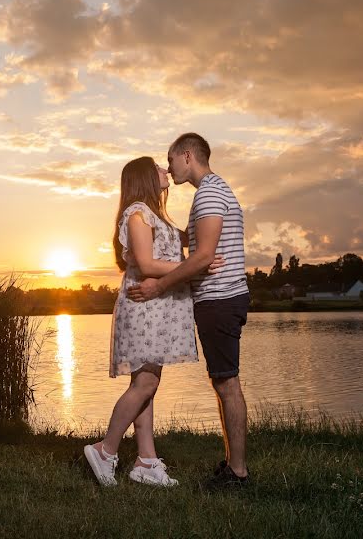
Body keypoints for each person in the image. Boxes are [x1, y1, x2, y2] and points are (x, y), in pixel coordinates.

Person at [84, 156, 224, 487]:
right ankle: (105, 450)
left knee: (147, 382)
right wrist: (197, 266)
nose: (165, 171)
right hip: (144, 307)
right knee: (144, 383)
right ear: (145, 177)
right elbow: (146, 264)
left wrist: (212, 230)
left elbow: (191, 237)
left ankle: (146, 461)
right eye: (159, 168)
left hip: (157, 309)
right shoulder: (137, 214)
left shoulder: (155, 216)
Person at [128, 133, 251, 490]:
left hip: (220, 299)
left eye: (170, 160)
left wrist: (159, 284)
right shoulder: (212, 192)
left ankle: (238, 472)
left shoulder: (209, 193)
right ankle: (233, 464)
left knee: (227, 383)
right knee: (223, 381)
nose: (168, 168)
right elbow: (197, 244)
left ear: (187, 156)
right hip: (220, 297)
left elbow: (203, 255)